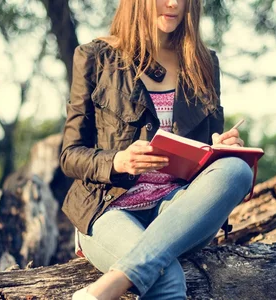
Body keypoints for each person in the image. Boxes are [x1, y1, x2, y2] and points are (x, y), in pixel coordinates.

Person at [60, 0, 253, 299]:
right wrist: (118, 161)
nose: (174, 3)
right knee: (167, 278)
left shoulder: (205, 62)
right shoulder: (95, 57)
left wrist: (221, 149)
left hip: (178, 210)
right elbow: (70, 155)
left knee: (236, 170)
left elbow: (209, 148)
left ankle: (110, 285)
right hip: (107, 208)